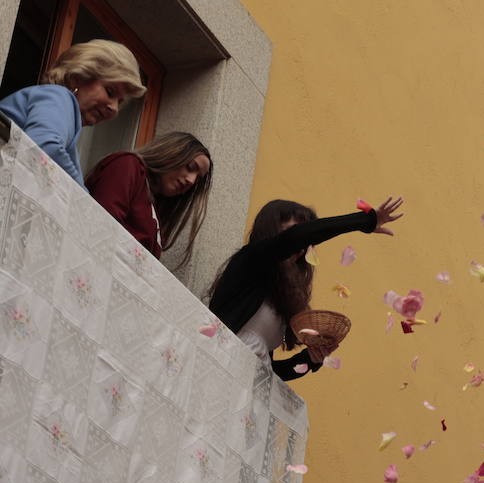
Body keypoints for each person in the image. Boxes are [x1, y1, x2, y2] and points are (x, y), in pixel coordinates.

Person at [206, 196, 403, 380]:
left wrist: (309, 359)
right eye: (298, 233)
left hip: (246, 392)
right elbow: (296, 237)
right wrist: (364, 220)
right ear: (273, 230)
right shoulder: (249, 260)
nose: (304, 245)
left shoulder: (277, 299)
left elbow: (270, 373)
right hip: (216, 370)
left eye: (307, 242)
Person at [0, 39, 145, 183]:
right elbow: (44, 148)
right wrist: (83, 201)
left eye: (120, 102)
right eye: (110, 92)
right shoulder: (59, 96)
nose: (114, 108)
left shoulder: (66, 122)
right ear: (78, 77)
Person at [87, 131, 212, 266]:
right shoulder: (127, 165)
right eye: (191, 167)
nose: (191, 180)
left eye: (197, 179)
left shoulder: (154, 210)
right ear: (172, 152)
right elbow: (103, 225)